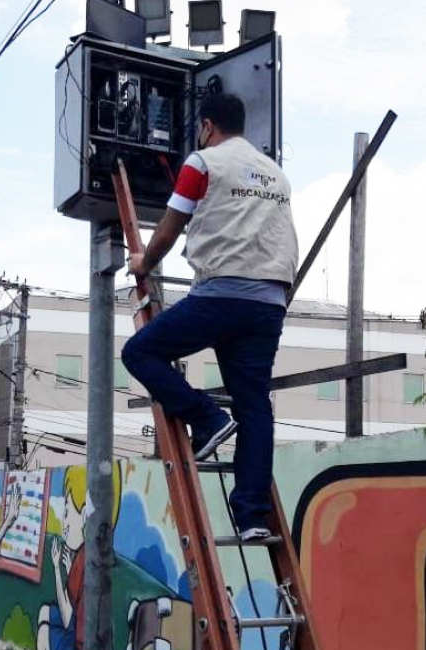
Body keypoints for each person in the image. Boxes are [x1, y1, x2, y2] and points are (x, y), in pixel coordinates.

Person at [122, 92, 297, 542]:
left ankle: (206, 418)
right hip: (269, 302)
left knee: (140, 352)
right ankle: (253, 518)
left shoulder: (203, 162)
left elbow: (170, 225)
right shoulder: (275, 174)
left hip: (222, 293)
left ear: (207, 126)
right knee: (254, 405)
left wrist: (143, 262)